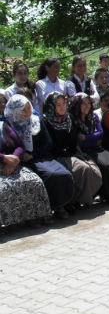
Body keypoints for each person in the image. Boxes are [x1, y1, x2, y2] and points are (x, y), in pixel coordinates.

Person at [4, 94, 74, 219]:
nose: (26, 113)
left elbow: (48, 143)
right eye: (22, 110)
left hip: (40, 156)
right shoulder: (9, 125)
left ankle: (60, 206)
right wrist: (22, 155)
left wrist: (32, 154)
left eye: (28, 108)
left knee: (62, 173)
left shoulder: (36, 121)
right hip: (21, 161)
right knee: (47, 176)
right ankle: (46, 211)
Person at [42, 92, 103, 212]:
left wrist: (73, 153)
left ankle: (80, 199)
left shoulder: (68, 118)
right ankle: (71, 201)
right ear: (51, 106)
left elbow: (73, 140)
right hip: (55, 156)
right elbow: (51, 144)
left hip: (70, 153)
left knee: (91, 169)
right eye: (57, 104)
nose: (61, 107)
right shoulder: (45, 121)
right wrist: (65, 153)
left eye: (63, 103)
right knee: (80, 169)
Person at [1, 93, 51, 228]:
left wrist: (13, 160)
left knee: (33, 181)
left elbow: (20, 145)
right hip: (4, 162)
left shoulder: (3, 126)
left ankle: (34, 216)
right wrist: (4, 158)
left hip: (11, 164)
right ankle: (6, 223)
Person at [68, 93, 109, 203]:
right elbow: (79, 142)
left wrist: (85, 137)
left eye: (88, 103)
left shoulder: (93, 116)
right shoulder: (73, 120)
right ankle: (105, 194)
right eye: (83, 104)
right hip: (82, 151)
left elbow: (101, 134)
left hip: (96, 148)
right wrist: (92, 139)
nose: (87, 106)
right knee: (104, 165)